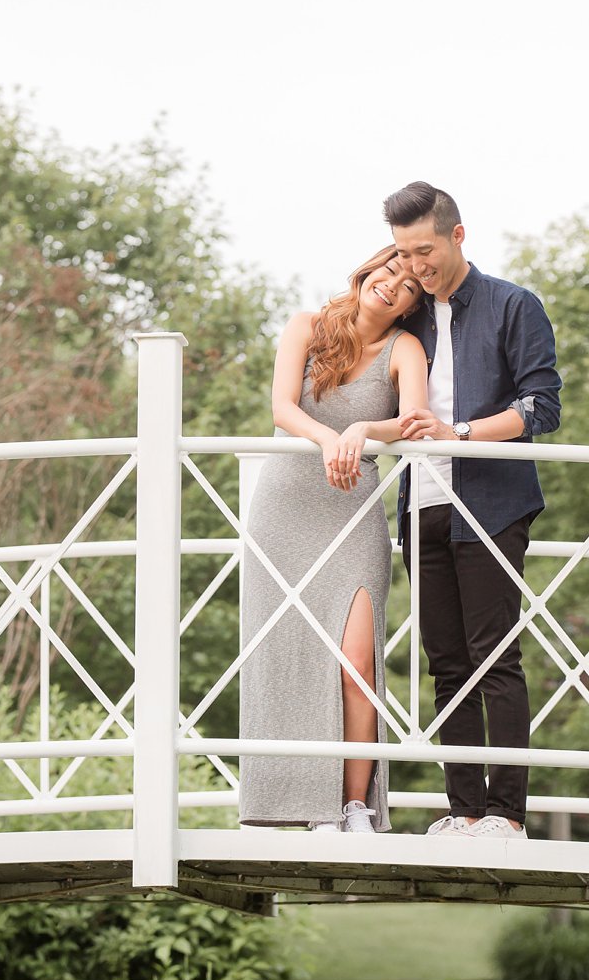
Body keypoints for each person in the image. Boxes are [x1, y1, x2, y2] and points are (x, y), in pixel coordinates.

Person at [384, 181, 563, 840]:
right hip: (418, 504)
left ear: (458, 236)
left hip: (491, 502)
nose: (415, 265)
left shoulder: (515, 305)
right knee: (446, 663)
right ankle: (462, 810)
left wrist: (457, 433)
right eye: (403, 253)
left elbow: (542, 407)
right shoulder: (407, 316)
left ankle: (508, 816)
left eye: (424, 250)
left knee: (495, 660)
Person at [238, 246, 429, 833]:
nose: (393, 286)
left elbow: (415, 421)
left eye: (409, 287)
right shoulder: (307, 327)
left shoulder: (406, 349)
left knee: (355, 662)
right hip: (285, 503)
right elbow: (281, 407)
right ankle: (287, 804)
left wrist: (364, 428)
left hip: (351, 512)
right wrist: (329, 439)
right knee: (284, 655)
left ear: (412, 307)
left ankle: (353, 807)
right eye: (388, 272)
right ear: (367, 271)